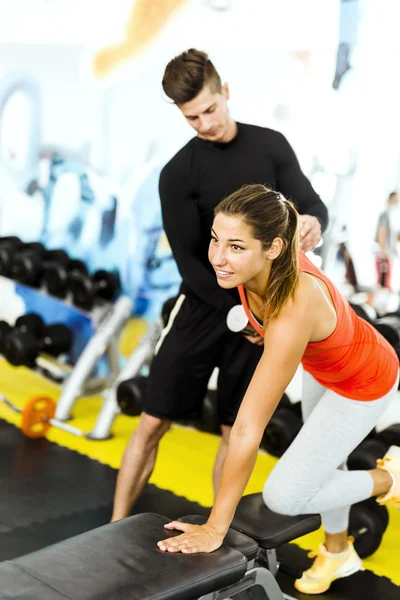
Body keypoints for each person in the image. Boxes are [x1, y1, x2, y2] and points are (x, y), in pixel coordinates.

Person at [111, 49, 328, 522]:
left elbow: (311, 203)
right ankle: (112, 527)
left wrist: (312, 221)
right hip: (205, 308)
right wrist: (242, 312)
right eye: (192, 117)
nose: (205, 124)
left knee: (236, 428)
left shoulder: (270, 147)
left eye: (210, 109)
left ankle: (217, 531)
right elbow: (191, 262)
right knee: (151, 422)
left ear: (225, 92)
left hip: (265, 310)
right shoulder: (178, 173)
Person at [157, 184, 399, 596]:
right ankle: (338, 552)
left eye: (235, 247)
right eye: (216, 239)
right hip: (324, 366)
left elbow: (248, 429)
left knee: (285, 497)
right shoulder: (266, 254)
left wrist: (217, 526)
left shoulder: (292, 306)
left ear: (272, 249)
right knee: (328, 464)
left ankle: (390, 478)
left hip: (364, 379)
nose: (218, 256)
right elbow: (285, 218)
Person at [375, 191, 399, 290]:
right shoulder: (385, 214)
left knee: (386, 281)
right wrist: (383, 250)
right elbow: (381, 231)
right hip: (384, 254)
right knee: (382, 282)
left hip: (388, 253)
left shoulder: (391, 216)